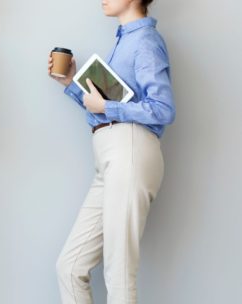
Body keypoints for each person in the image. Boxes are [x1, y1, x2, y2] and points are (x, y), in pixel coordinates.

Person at [48, 0, 175, 303]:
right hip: (111, 155)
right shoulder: (124, 39)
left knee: (119, 272)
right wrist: (72, 83)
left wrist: (107, 105)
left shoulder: (145, 41)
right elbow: (104, 112)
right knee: (70, 267)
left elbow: (163, 108)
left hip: (129, 151)